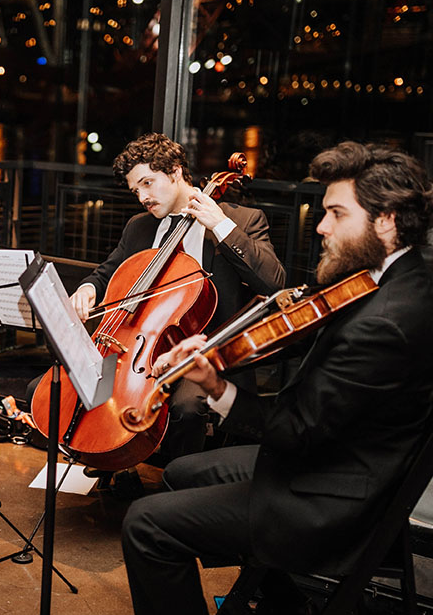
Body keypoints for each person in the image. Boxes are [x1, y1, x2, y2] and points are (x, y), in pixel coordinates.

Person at [110, 142, 433, 615]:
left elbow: (289, 432)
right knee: (182, 472)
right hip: (338, 461)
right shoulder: (383, 279)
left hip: (331, 498)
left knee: (145, 524)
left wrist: (218, 390)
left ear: (385, 222)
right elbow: (296, 332)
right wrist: (215, 352)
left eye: (336, 214)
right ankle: (284, 605)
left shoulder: (386, 321)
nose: (320, 228)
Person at [69, 133, 285, 464]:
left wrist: (221, 225)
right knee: (69, 395)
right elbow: (106, 273)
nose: (142, 197)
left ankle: (178, 484)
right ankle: (115, 460)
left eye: (147, 183)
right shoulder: (139, 227)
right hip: (140, 348)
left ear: (175, 171)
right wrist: (88, 288)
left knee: (187, 408)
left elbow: (275, 282)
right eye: (135, 190)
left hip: (207, 353)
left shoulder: (242, 220)